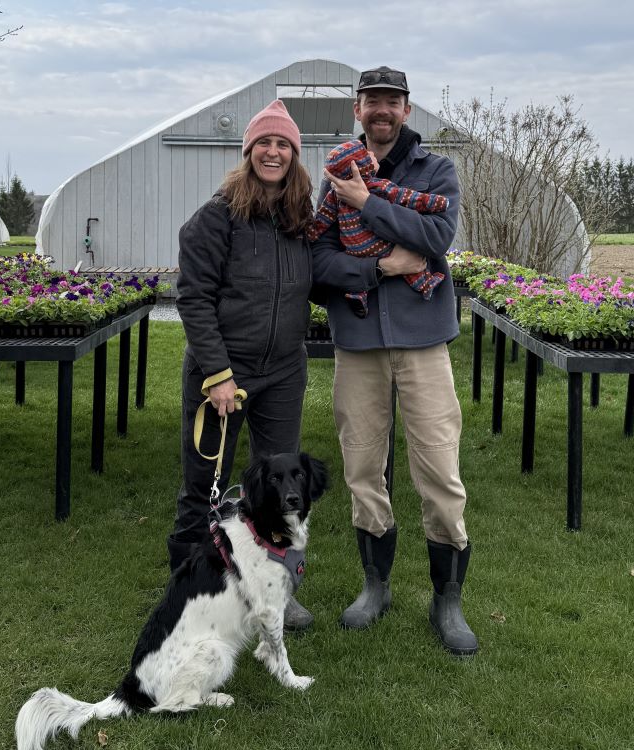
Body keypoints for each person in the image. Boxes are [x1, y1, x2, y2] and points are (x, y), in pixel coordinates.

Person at [311, 66, 478, 656]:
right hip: (358, 343)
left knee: (438, 468)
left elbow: (437, 237)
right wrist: (380, 266)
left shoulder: (436, 171)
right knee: (362, 467)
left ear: (406, 110)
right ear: (357, 110)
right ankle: (375, 584)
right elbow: (319, 261)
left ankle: (447, 598)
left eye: (392, 101)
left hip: (424, 341)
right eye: (371, 101)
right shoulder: (333, 174)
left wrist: (365, 201)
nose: (381, 110)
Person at [168, 99, 316, 631]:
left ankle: (278, 588)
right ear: (248, 151)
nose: (273, 152)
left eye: (283, 145)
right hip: (222, 374)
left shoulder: (302, 220)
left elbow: (322, 278)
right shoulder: (217, 217)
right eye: (264, 144)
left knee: (281, 488)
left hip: (282, 372)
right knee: (203, 485)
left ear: (294, 156)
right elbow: (194, 297)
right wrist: (219, 373)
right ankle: (189, 587)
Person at [308, 139, 448, 317]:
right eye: (367, 155)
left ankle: (357, 293)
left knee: (363, 279)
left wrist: (311, 233)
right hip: (379, 247)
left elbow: (322, 219)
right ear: (359, 166)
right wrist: (435, 202)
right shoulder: (376, 185)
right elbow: (406, 197)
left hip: (353, 249)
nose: (372, 155)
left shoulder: (335, 195)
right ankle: (425, 283)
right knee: (412, 267)